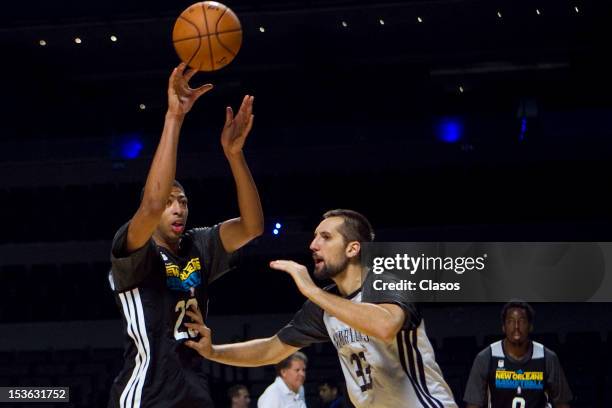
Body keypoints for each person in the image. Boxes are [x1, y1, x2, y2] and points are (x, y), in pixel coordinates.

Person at [185, 209, 458, 408]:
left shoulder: (388, 282)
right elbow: (270, 349)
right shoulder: (324, 307)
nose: (313, 245)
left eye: (325, 237)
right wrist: (212, 352)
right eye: (315, 236)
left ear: (353, 249)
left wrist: (312, 290)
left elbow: (384, 326)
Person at [108, 63, 264, 408]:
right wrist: (175, 117)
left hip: (195, 389)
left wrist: (235, 156)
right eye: (169, 202)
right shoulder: (135, 249)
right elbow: (149, 206)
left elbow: (253, 227)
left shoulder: (199, 244)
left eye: (183, 201)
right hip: (146, 393)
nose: (178, 208)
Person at [463, 300, 573, 408]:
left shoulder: (547, 357)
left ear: (530, 326)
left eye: (522, 321)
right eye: (510, 321)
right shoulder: (486, 357)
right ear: (503, 327)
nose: (516, 326)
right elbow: (473, 404)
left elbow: (562, 403)